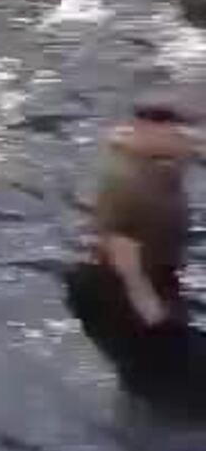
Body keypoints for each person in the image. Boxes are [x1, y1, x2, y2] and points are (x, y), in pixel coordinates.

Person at [65, 98, 204, 411]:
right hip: (119, 289)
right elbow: (121, 246)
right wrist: (149, 306)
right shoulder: (128, 180)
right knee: (168, 367)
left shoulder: (160, 163)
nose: (189, 140)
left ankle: (149, 398)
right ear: (151, 131)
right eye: (179, 132)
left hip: (150, 280)